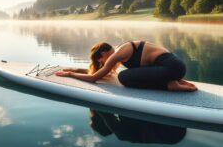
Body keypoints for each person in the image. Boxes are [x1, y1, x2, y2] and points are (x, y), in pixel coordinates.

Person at [56, 41, 197, 91]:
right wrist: (75, 69)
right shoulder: (120, 52)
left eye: (100, 60)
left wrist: (70, 75)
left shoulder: (117, 55)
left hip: (170, 69)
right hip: (176, 68)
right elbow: (102, 73)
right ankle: (175, 80)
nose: (102, 63)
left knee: (124, 78)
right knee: (128, 76)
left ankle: (169, 86)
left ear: (104, 53)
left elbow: (94, 78)